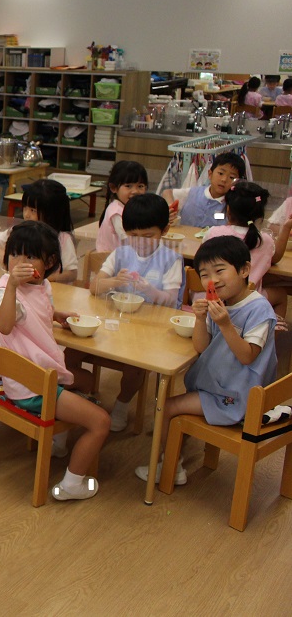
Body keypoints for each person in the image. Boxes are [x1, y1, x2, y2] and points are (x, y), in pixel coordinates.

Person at [135, 236, 277, 485]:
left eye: (220, 271)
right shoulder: (220, 304)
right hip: (220, 386)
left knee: (166, 407)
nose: (213, 280)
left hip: (238, 396)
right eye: (205, 275)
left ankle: (169, 467)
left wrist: (225, 324)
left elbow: (247, 356)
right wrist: (201, 319)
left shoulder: (259, 309)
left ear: (244, 269)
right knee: (170, 404)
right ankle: (174, 456)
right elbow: (202, 347)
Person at [0, 221, 110, 501]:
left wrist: (55, 316)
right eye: (15, 254)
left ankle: (58, 443)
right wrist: (11, 286)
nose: (20, 262)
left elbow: (35, 311)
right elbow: (5, 325)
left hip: (39, 375)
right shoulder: (6, 289)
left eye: (30, 256)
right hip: (30, 385)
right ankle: (72, 484)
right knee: (101, 421)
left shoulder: (42, 285)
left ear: (49, 263)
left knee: (87, 381)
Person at [85, 194, 186, 431]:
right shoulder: (121, 253)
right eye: (133, 235)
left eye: (148, 236)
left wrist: (149, 290)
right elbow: (94, 286)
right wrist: (113, 281)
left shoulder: (171, 259)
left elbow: (171, 300)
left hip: (150, 330)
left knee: (135, 364)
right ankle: (80, 397)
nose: (140, 242)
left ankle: (121, 405)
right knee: (74, 350)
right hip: (117, 323)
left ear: (164, 230)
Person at [205, 181, 291, 319]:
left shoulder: (213, 233)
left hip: (214, 298)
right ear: (259, 215)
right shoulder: (264, 240)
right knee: (281, 294)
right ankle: (271, 330)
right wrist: (286, 227)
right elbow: (276, 258)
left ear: (228, 210)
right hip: (250, 302)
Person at [0, 178, 79, 284]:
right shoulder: (19, 232)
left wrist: (41, 278)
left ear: (51, 213)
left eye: (33, 210)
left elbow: (72, 274)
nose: (26, 215)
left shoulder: (63, 239)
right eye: (25, 208)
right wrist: (2, 254)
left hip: (50, 290)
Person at [163, 152, 245, 228]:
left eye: (231, 177)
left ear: (237, 182)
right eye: (220, 173)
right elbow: (167, 192)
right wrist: (170, 206)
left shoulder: (233, 205)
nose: (224, 179)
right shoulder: (193, 193)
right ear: (210, 174)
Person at [96, 160, 148, 253]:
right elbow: (129, 241)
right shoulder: (116, 212)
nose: (135, 191)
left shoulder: (132, 208)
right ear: (113, 188)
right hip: (109, 258)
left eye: (140, 186)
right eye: (128, 186)